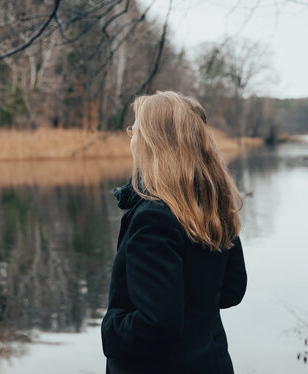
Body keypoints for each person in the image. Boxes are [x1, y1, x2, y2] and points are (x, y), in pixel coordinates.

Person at [101, 91, 247, 374]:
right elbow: (231, 290)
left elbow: (157, 322)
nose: (131, 137)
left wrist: (112, 329)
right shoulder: (212, 206)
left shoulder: (153, 218)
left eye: (135, 130)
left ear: (152, 142)